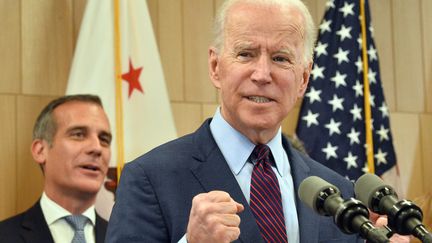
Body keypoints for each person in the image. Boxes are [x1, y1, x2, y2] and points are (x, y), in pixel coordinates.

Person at [106, 0, 405, 242]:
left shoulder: (339, 193)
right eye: (246, 54)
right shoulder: (149, 178)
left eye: (280, 58)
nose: (262, 74)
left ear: (303, 79)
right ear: (215, 67)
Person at [0, 94, 112, 243]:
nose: (97, 148)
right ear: (40, 151)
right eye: (78, 134)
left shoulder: (130, 238)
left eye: (104, 139)